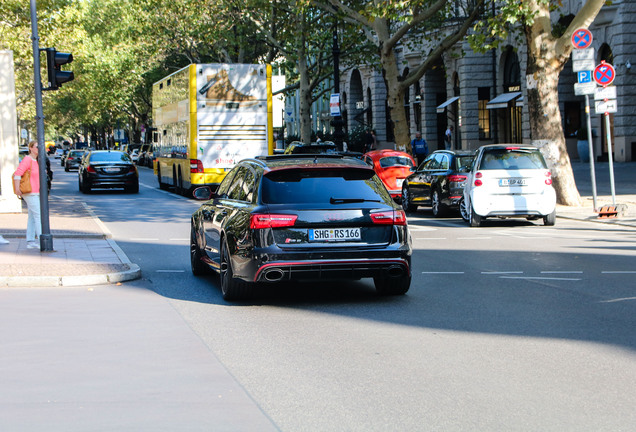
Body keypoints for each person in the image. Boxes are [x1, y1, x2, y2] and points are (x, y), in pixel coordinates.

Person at [13, 140, 42, 249]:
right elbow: (17, 174)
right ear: (30, 148)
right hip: (30, 192)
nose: (38, 149)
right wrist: (17, 189)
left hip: (35, 192)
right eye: (36, 147)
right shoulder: (27, 160)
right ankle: (41, 240)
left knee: (32, 217)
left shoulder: (36, 160)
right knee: (38, 215)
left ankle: (30, 241)